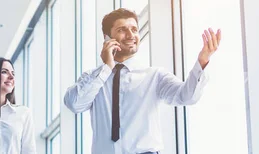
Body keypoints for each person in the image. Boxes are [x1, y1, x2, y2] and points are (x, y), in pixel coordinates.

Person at [64, 8, 222, 154]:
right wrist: (106, 67)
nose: (131, 35)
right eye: (122, 30)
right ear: (107, 38)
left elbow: (187, 96)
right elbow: (74, 104)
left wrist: (202, 61)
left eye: (134, 29)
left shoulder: (154, 76)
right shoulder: (93, 78)